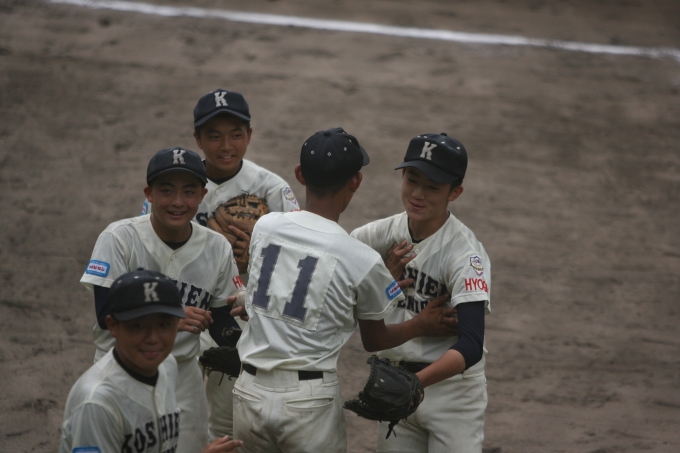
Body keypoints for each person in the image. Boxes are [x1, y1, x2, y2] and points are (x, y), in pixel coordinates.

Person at [232, 127, 458, 453]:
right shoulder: (361, 258)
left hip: (248, 393)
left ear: (300, 174)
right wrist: (420, 324)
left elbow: (286, 285)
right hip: (307, 404)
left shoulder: (265, 226)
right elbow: (374, 340)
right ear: (356, 181)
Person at [143, 88, 300, 440]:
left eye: (235, 134)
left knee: (228, 421)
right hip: (180, 308)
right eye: (214, 136)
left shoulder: (271, 188)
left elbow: (299, 259)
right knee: (166, 412)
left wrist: (259, 250)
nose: (226, 146)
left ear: (249, 135)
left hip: (236, 316)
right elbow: (148, 243)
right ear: (198, 139)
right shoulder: (178, 184)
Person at [80, 148, 242, 453]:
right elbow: (105, 312)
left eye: (189, 192)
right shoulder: (119, 238)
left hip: (183, 379)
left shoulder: (217, 247)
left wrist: (240, 347)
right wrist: (171, 318)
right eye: (166, 191)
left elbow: (221, 318)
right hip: (122, 371)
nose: (178, 202)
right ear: (149, 194)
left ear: (202, 195)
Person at [351, 133, 491, 453]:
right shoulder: (379, 234)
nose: (418, 194)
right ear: (402, 175)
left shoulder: (465, 254)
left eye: (433, 187)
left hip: (452, 394)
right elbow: (329, 276)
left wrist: (415, 384)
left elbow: (471, 344)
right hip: (397, 381)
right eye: (412, 179)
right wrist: (383, 281)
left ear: (455, 192)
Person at [61, 268, 244, 453]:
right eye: (138, 326)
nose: (152, 338)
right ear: (113, 326)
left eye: (164, 325)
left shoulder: (167, 366)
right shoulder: (96, 403)